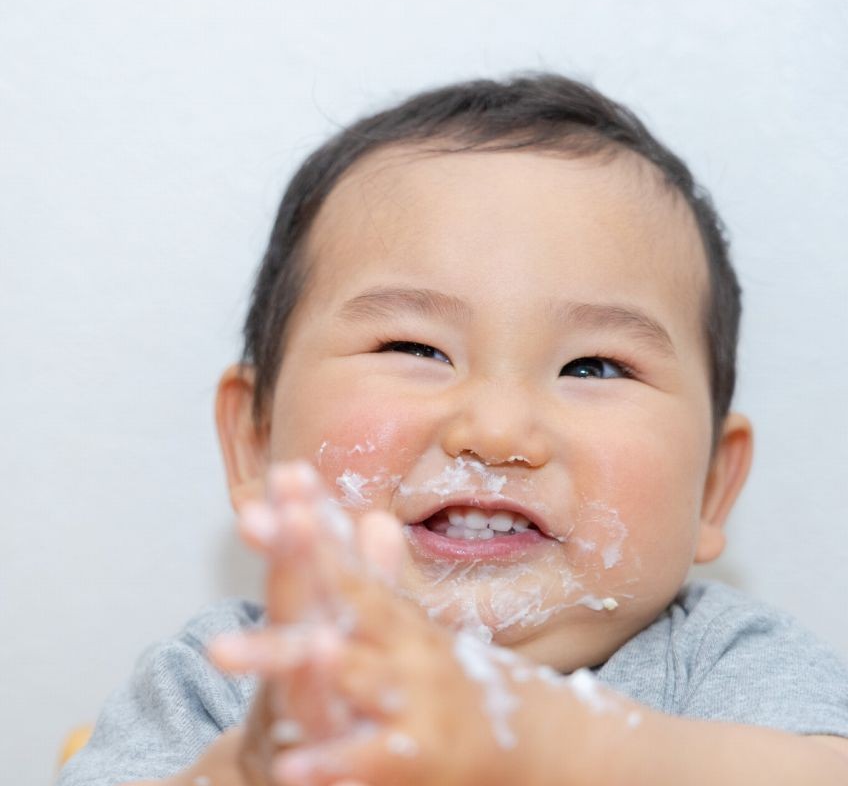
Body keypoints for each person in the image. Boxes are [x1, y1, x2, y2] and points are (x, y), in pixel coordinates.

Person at [57, 73, 848, 785]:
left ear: (712, 484)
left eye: (594, 367)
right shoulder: (224, 682)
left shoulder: (730, 669)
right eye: (415, 348)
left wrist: (563, 747)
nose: (498, 429)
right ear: (256, 441)